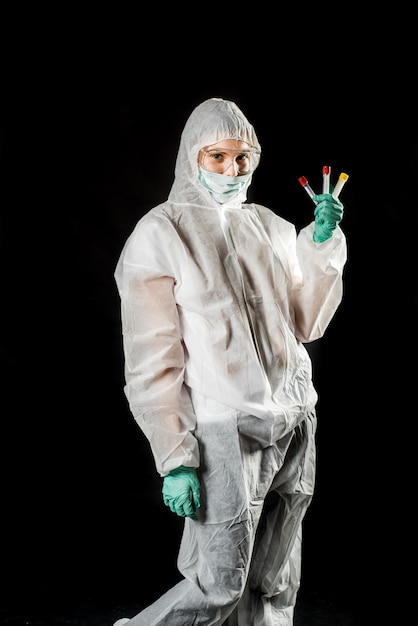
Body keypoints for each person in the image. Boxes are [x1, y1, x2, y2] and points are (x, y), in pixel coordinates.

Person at [113, 97, 347, 626]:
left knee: (275, 580)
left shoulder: (266, 224)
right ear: (192, 157)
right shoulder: (161, 232)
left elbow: (306, 323)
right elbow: (151, 356)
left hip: (293, 415)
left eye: (242, 158)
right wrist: (175, 454)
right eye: (217, 156)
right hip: (224, 423)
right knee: (219, 582)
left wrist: (320, 243)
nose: (231, 169)